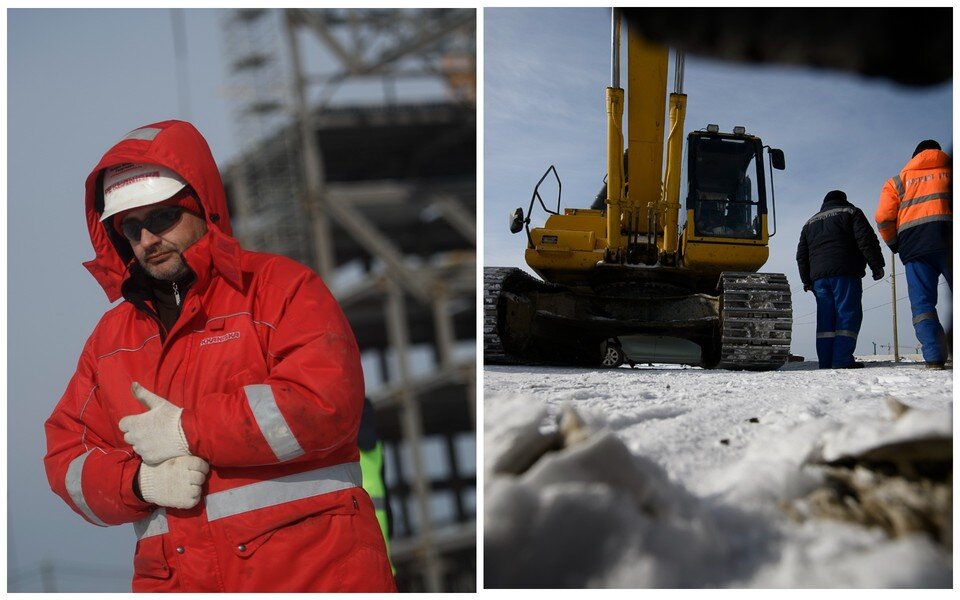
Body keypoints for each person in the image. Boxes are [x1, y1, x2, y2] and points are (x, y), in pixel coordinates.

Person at [43, 120, 396, 592]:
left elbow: (324, 404)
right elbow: (67, 458)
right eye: (131, 227)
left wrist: (187, 430)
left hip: (308, 576)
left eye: (163, 217)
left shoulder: (280, 291)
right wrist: (137, 485)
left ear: (202, 206)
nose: (148, 239)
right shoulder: (110, 342)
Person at [875, 139, 952, 369]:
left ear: (914, 157)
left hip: (916, 249)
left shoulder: (897, 182)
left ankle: (934, 357)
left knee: (923, 305)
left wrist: (894, 243)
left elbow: (883, 217)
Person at [797, 189, 885, 369]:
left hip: (819, 279)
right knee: (847, 313)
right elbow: (866, 240)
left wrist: (806, 280)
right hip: (845, 271)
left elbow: (801, 255)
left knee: (825, 319)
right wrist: (876, 265)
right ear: (844, 200)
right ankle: (842, 359)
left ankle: (826, 361)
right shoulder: (851, 212)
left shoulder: (809, 223)